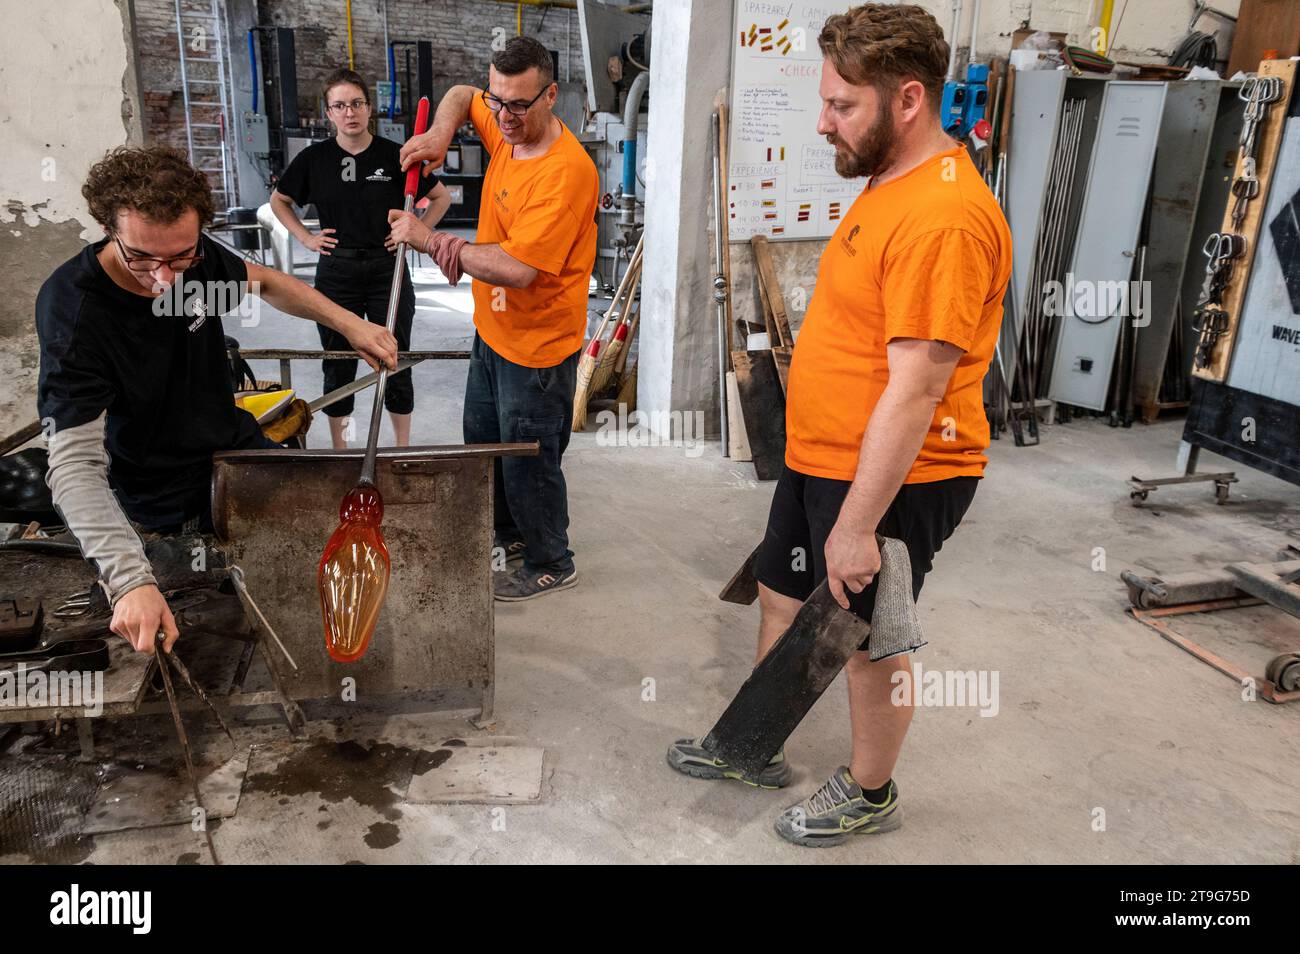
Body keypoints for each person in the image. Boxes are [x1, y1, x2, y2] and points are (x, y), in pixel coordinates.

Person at [667, 3, 1012, 847]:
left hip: (896, 476)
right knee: (785, 596)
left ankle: (871, 790)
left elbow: (915, 392)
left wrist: (858, 526)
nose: (823, 122)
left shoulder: (944, 218)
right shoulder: (888, 184)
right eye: (824, 102)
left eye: (841, 106)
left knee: (865, 638)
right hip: (821, 455)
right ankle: (753, 743)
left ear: (906, 100)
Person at [36, 145, 398, 656]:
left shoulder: (197, 258)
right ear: (106, 227)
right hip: (158, 487)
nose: (165, 278)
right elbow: (72, 465)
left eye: (180, 257)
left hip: (234, 450)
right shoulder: (76, 314)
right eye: (141, 257)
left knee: (323, 548)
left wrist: (350, 324)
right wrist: (128, 579)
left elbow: (267, 283)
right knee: (207, 611)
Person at [393, 37, 598, 602]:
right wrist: (440, 134)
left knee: (528, 459)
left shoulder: (564, 175)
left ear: (551, 96)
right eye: (498, 101)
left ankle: (551, 560)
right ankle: (505, 536)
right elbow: (461, 94)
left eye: (519, 105)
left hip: (537, 346)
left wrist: (430, 239)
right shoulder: (505, 115)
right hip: (492, 332)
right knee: (484, 443)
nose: (503, 116)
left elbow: (517, 268)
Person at [270, 68, 450, 448]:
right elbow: (279, 200)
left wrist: (417, 236)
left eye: (356, 104)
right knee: (339, 363)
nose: (349, 112)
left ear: (369, 109)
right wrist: (305, 237)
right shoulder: (313, 159)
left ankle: (401, 447)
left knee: (395, 358)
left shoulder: (396, 156)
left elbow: (440, 198)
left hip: (389, 270)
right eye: (339, 105)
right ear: (329, 113)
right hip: (337, 272)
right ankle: (343, 447)